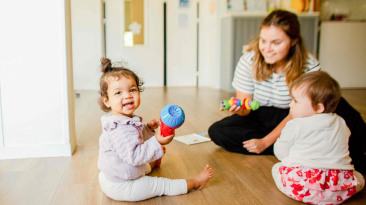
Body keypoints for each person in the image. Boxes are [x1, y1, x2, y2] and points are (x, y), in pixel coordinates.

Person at [208, 10, 366, 174]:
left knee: (339, 105)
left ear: (293, 41)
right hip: (261, 114)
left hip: (299, 114)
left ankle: (342, 152)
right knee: (217, 131)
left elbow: (299, 112)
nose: (267, 49)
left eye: (276, 43)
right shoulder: (248, 61)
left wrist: (265, 141)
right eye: (263, 41)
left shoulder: (308, 64)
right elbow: (246, 108)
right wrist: (240, 109)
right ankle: (305, 148)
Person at [97, 57, 214, 201]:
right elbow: (135, 157)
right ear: (106, 100)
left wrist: (148, 127)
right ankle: (195, 182)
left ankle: (153, 163)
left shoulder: (119, 120)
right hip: (124, 185)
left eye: (132, 89)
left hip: (113, 175)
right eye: (118, 93)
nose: (127, 95)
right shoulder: (120, 130)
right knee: (162, 185)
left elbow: (134, 135)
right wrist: (157, 141)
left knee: (143, 166)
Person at [272, 71, 365, 204]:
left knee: (277, 168)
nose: (290, 105)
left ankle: (310, 195)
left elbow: (280, 152)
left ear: (319, 107)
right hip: (336, 189)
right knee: (359, 178)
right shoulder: (341, 122)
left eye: (296, 101)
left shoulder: (295, 124)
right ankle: (332, 196)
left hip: (303, 188)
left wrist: (289, 161)